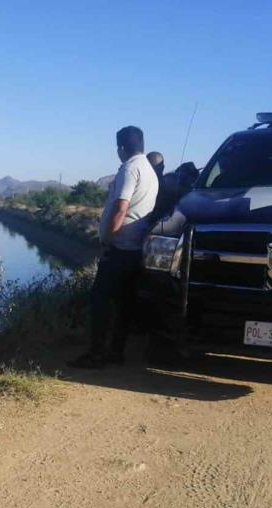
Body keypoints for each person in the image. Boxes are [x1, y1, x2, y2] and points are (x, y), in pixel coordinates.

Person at [70, 126, 159, 368]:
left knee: (100, 300)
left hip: (120, 247)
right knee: (123, 303)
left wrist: (107, 241)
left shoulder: (130, 169)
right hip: (135, 248)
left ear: (120, 148)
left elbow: (121, 208)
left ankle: (96, 353)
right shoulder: (149, 169)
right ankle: (116, 352)